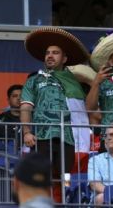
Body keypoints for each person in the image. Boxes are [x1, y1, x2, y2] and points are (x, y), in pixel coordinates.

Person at [20, 27, 91, 202]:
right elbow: (26, 108)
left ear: (64, 58)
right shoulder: (34, 80)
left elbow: (89, 107)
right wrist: (27, 131)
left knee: (65, 176)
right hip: (42, 136)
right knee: (42, 174)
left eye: (55, 53)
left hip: (68, 137)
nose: (50, 56)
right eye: (47, 53)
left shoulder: (74, 82)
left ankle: (63, 202)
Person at [0, 84, 23, 151]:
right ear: (8, 100)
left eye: (22, 96)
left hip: (27, 158)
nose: (19, 98)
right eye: (15, 96)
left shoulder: (34, 118)